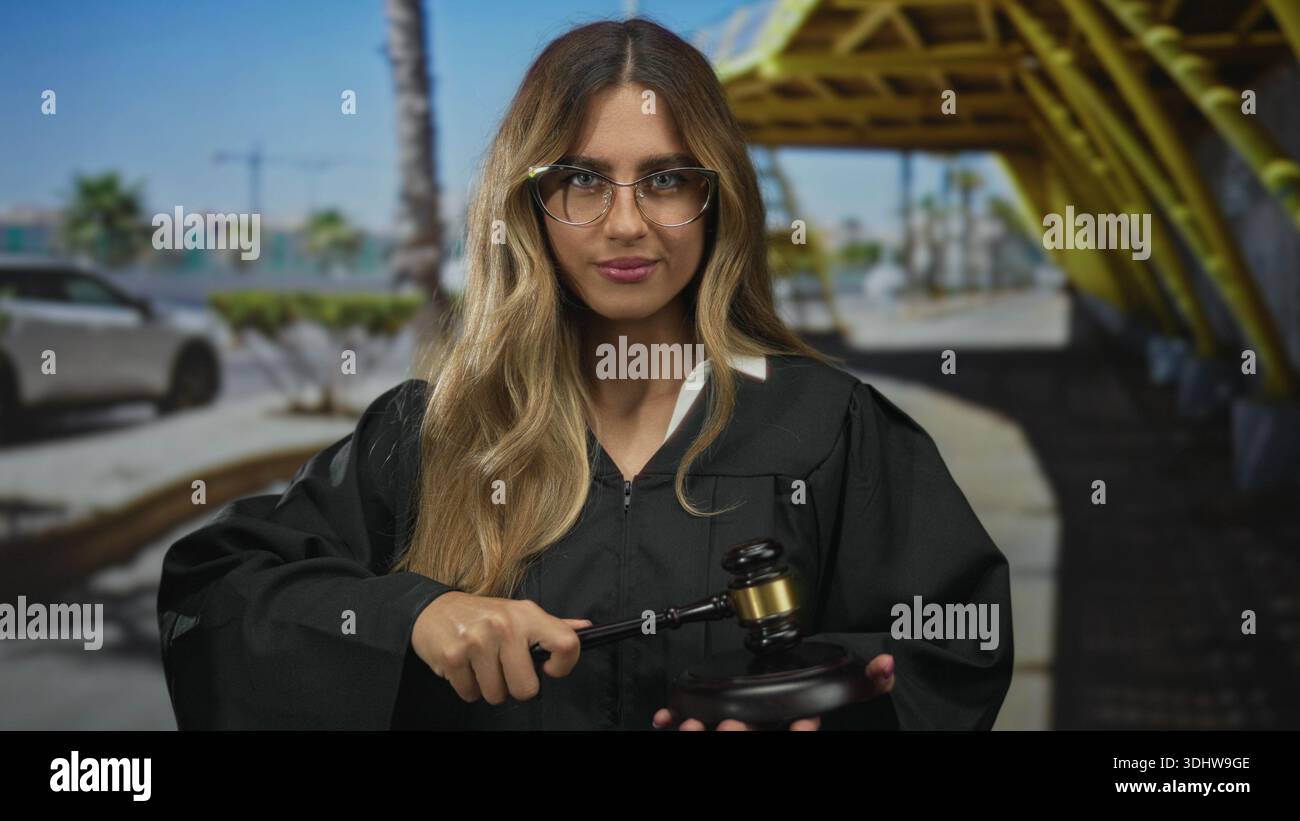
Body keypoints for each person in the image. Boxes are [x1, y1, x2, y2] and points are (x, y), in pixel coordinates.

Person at [157, 17, 1013, 731]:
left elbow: (951, 647)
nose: (627, 224)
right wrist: (415, 614)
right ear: (529, 203)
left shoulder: (828, 429)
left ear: (718, 201)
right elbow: (213, 595)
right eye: (583, 181)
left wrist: (830, 715)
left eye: (667, 180)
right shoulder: (434, 434)